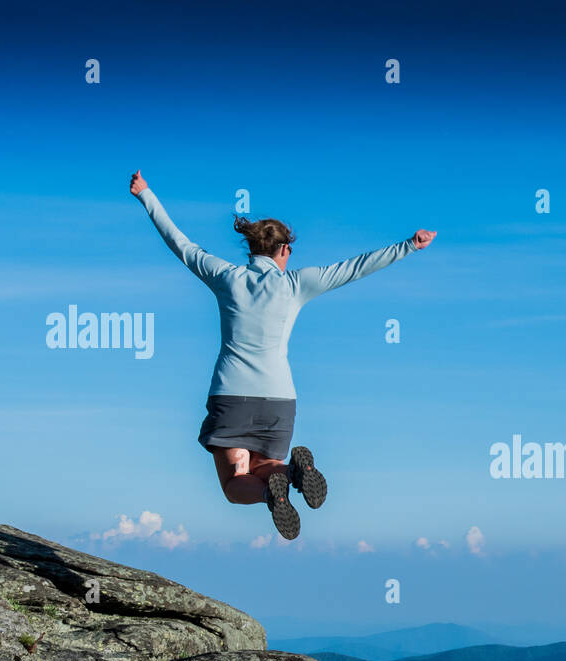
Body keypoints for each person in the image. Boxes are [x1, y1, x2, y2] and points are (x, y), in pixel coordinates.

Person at [129, 170, 435, 539]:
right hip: (279, 400)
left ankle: (278, 492)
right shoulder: (296, 284)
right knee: (266, 467)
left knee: (234, 483)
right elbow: (353, 268)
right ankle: (289, 474)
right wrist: (408, 245)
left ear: (252, 248)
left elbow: (180, 244)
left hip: (232, 396)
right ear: (284, 250)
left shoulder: (226, 277)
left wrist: (146, 195)